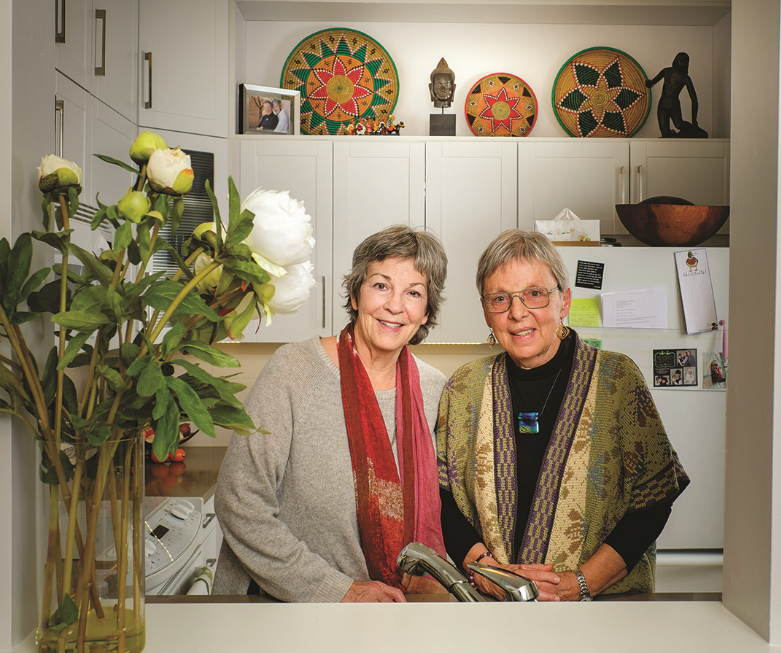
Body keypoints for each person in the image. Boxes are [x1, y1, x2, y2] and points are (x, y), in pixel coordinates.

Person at [437, 230, 689, 601]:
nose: (517, 313)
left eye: (535, 294)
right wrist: (486, 572)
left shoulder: (617, 380)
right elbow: (442, 499)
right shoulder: (464, 388)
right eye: (500, 298)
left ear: (564, 301)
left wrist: (581, 582)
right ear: (486, 312)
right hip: (492, 605)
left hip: (603, 606)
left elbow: (654, 498)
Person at [214, 225, 449, 602]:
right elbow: (239, 500)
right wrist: (338, 590)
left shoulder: (434, 389)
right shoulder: (294, 369)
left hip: (398, 616)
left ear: (425, 313)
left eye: (414, 293)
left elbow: (452, 509)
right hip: (284, 610)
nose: (394, 305)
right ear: (355, 295)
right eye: (381, 285)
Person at [645, 52, 706, 138]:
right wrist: (646, 83)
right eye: (681, 60)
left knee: (679, 125)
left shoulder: (685, 78)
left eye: (685, 61)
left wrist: (694, 121)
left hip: (674, 105)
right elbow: (652, 83)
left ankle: (693, 129)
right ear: (676, 60)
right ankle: (674, 134)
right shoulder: (666, 71)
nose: (682, 63)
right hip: (662, 105)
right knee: (665, 135)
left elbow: (694, 100)